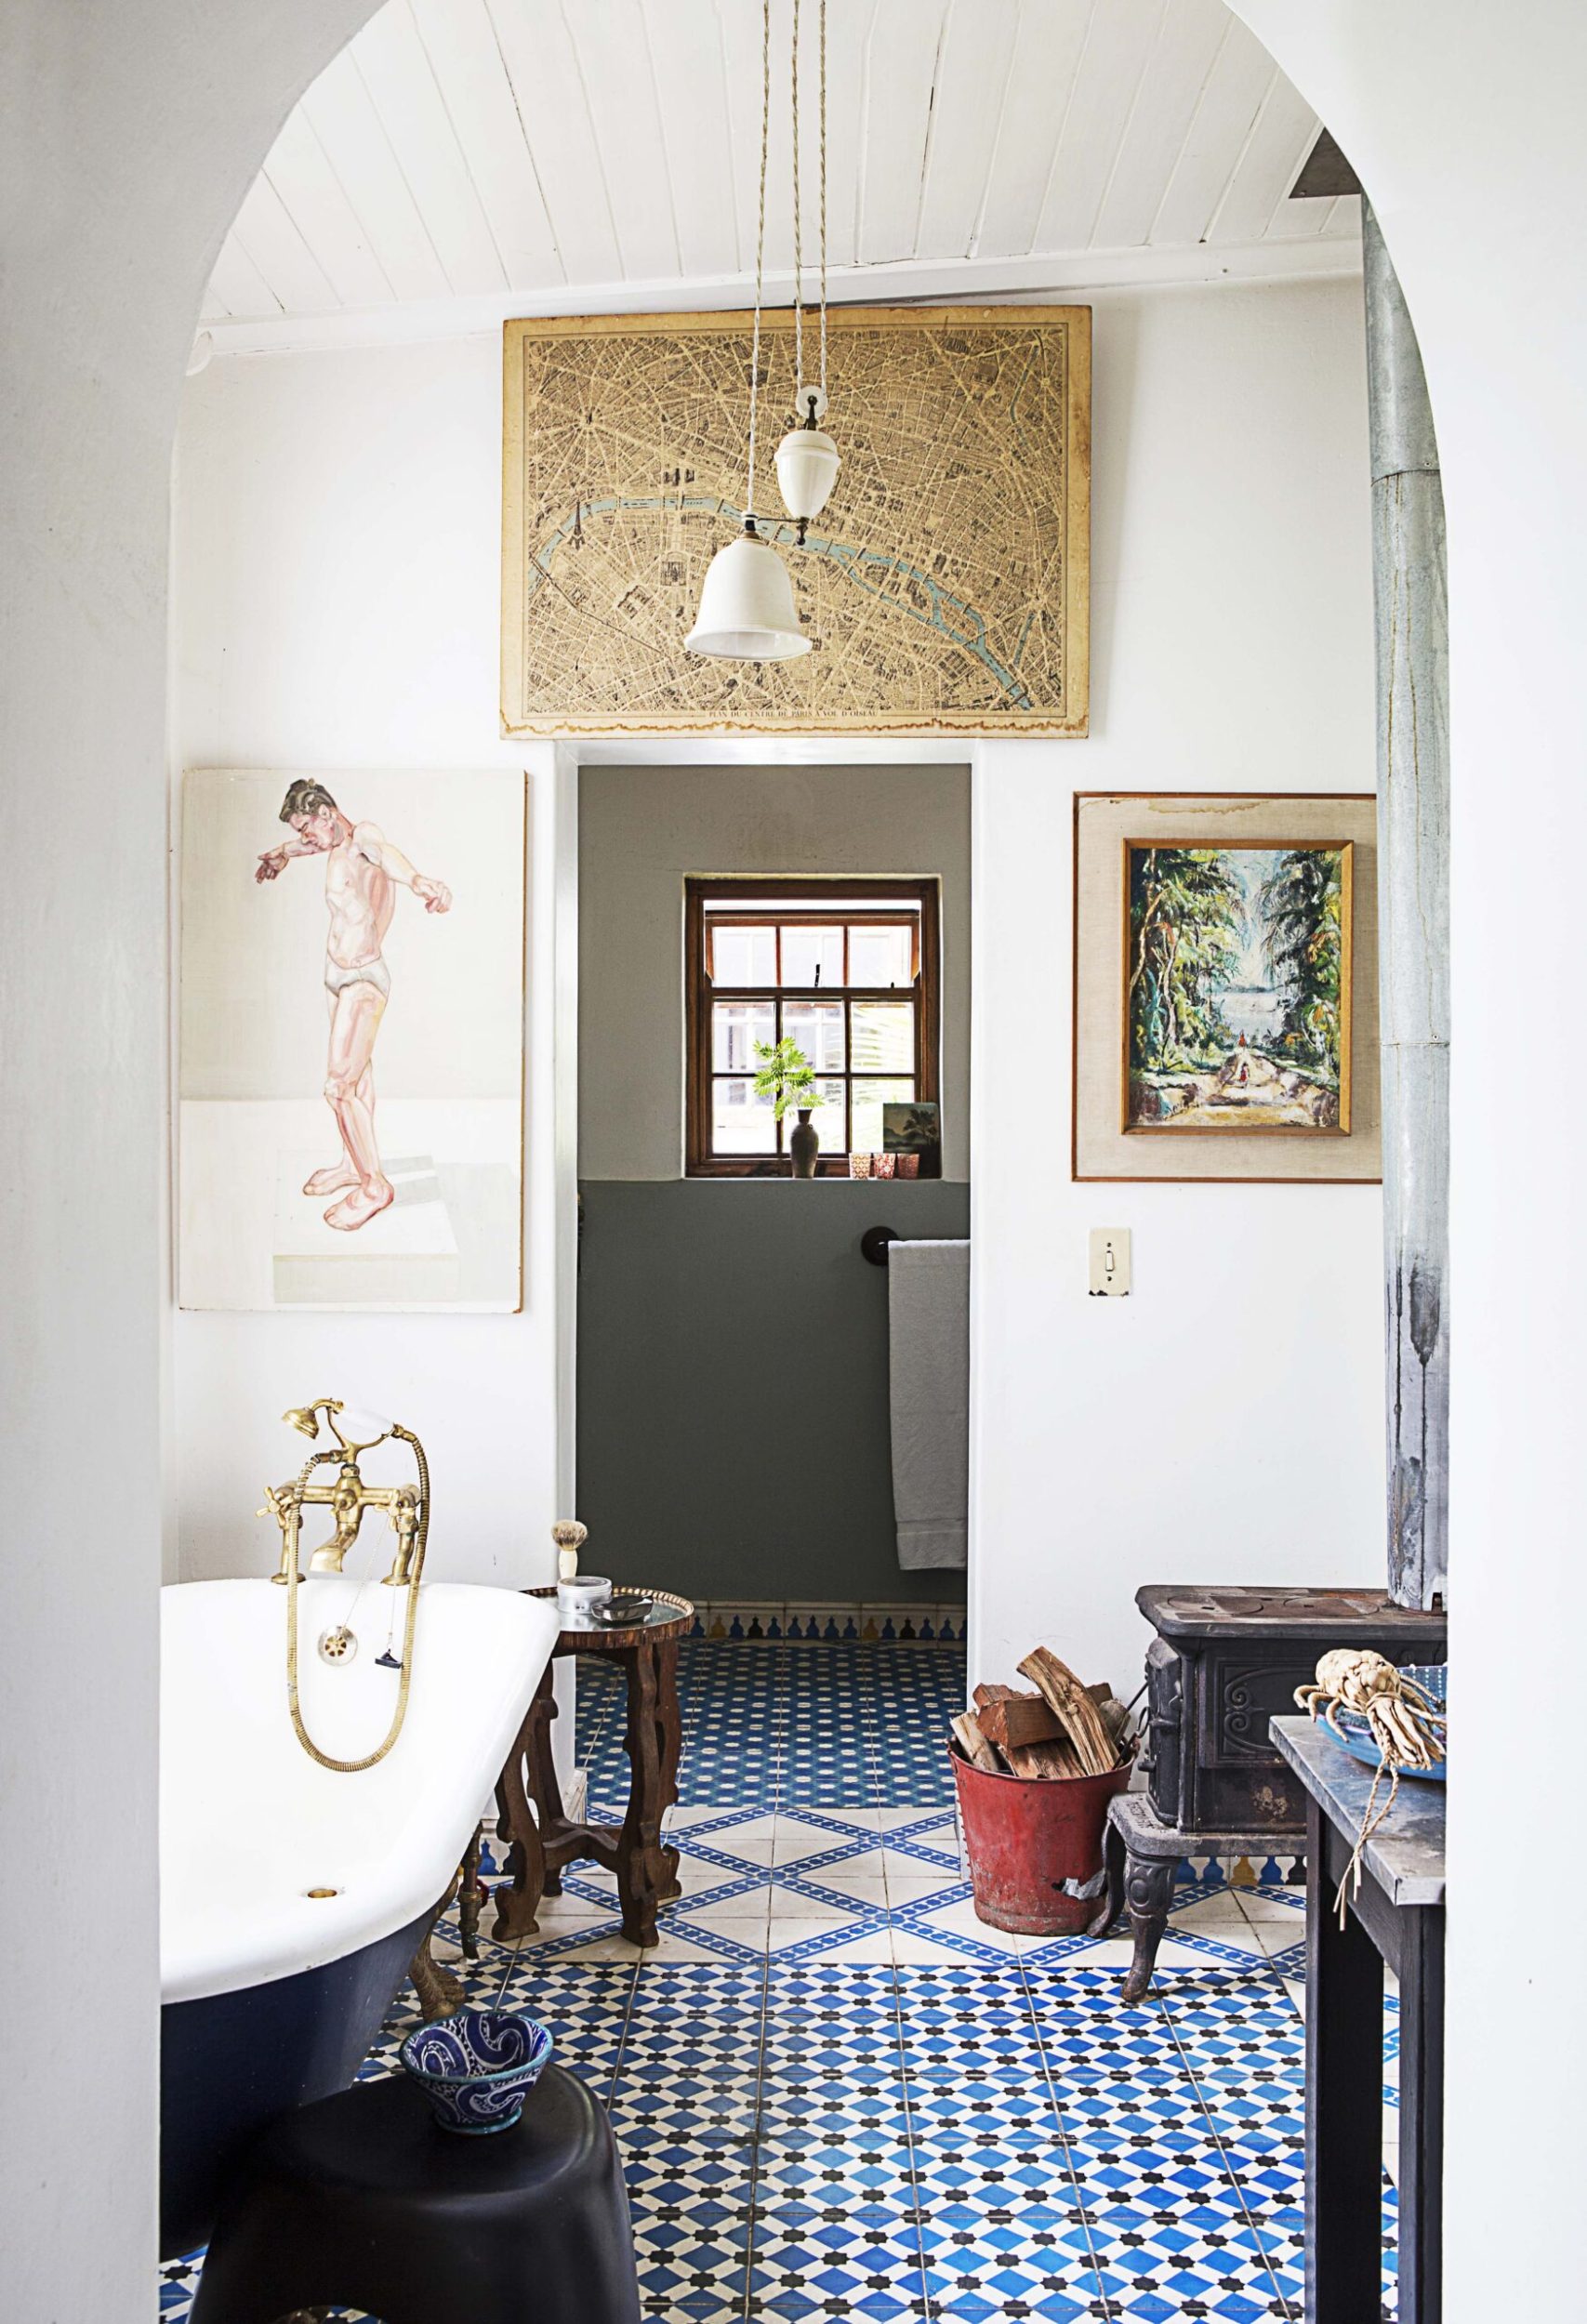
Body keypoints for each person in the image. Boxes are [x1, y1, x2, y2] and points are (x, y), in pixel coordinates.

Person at [255, 780, 451, 1230]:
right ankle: (351, 1163)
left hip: (363, 977)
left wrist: (420, 881)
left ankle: (374, 1186)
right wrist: (283, 853)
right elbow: (303, 848)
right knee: (358, 1079)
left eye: (308, 828)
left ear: (327, 813)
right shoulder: (330, 846)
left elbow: (386, 854)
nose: (307, 838)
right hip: (337, 977)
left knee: (337, 1087)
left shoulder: (361, 838)